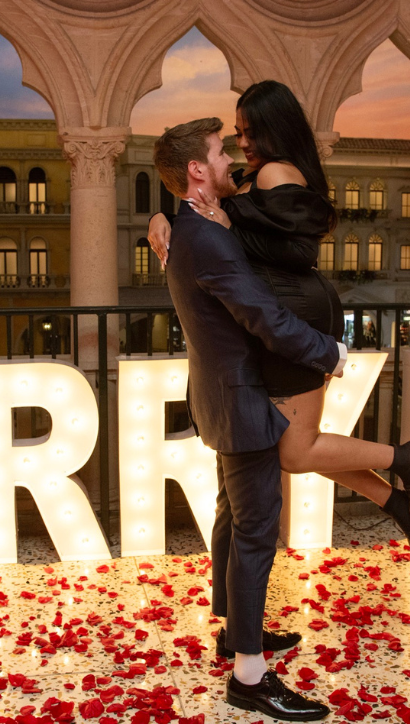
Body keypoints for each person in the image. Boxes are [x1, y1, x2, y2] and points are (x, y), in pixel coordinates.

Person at [149, 81, 410, 570]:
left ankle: (402, 459)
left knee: (295, 450)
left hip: (294, 314)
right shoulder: (259, 173)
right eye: (237, 133)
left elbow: (296, 250)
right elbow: (203, 191)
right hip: (287, 312)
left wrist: (229, 225)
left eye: (251, 132)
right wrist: (164, 214)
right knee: (294, 447)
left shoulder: (275, 172)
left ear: (276, 128)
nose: (242, 143)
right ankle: (398, 502)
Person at [153, 117, 340, 722]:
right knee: (257, 532)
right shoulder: (205, 238)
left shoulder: (190, 227)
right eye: (219, 152)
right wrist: (327, 353)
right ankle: (250, 678)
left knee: (233, 516)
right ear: (196, 171)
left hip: (220, 394)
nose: (231, 158)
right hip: (242, 400)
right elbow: (262, 315)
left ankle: (235, 634)